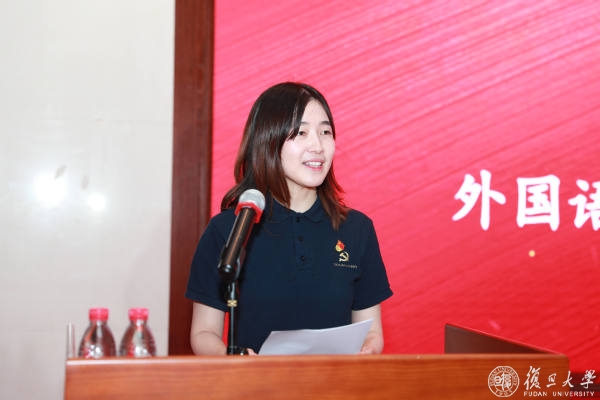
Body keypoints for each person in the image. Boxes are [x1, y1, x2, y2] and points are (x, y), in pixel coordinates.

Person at [185, 82, 393, 355]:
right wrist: (236, 362)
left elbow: (372, 332)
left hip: (337, 381)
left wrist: (368, 350)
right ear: (268, 140)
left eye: (325, 132)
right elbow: (204, 333)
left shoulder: (357, 229)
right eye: (301, 133)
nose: (317, 146)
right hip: (257, 381)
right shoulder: (230, 230)